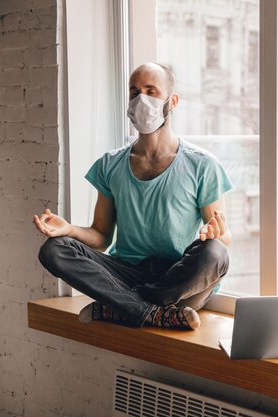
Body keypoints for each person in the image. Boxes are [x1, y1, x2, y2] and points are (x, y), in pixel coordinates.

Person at [33, 63, 232, 330]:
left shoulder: (202, 164)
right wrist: (69, 229)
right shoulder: (110, 164)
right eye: (134, 92)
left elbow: (223, 237)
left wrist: (214, 233)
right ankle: (149, 311)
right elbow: (101, 237)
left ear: (172, 101)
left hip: (177, 279)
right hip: (126, 272)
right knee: (54, 249)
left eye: (151, 91)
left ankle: (122, 307)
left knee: (216, 253)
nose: (141, 100)